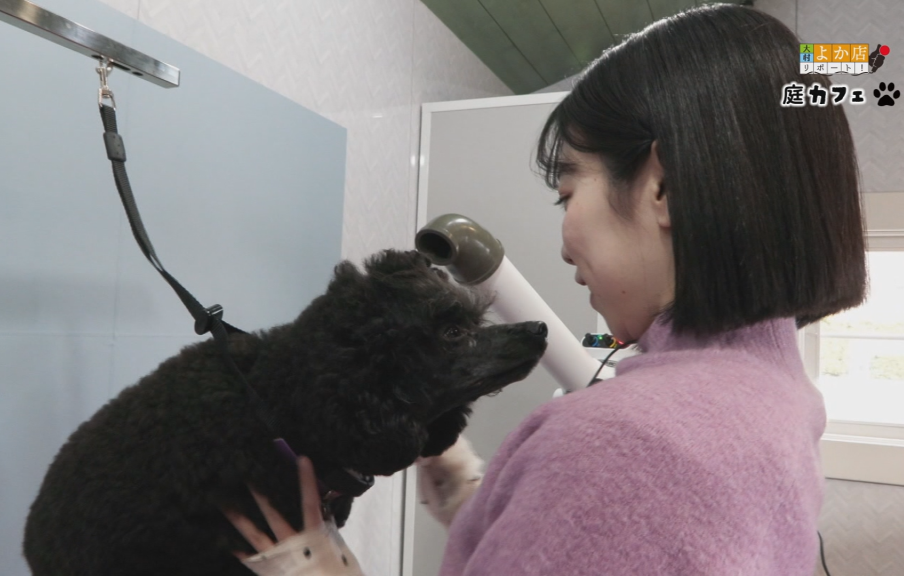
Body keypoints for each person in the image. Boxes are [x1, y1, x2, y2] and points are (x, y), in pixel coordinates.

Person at [225, 3, 867, 574]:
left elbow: (620, 507)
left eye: (567, 192)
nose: (563, 244)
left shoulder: (621, 450)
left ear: (663, 187)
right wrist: (475, 501)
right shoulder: (781, 402)